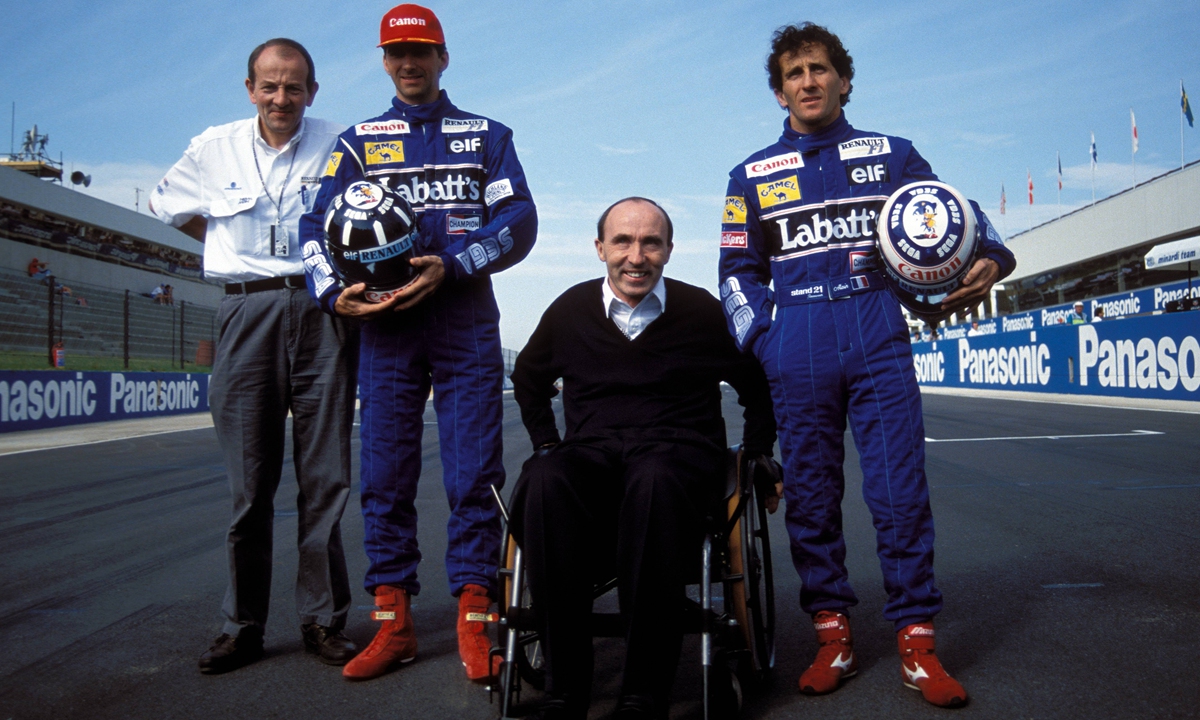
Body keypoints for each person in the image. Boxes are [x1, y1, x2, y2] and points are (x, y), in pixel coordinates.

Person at [718, 23, 1016, 708]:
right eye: (794, 74)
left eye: (820, 69)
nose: (809, 82)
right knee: (814, 499)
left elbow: (961, 219)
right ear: (779, 90)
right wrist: (769, 342)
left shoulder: (892, 154)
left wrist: (993, 260)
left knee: (898, 491)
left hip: (876, 329)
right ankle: (834, 636)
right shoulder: (751, 175)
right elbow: (736, 275)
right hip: (799, 342)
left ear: (845, 80)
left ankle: (917, 643)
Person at [299, 3, 537, 683]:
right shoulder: (358, 142)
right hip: (387, 327)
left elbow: (519, 217)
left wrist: (455, 262)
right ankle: (393, 623)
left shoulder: (485, 135)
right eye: (397, 54)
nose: (410, 64)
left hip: (463, 319)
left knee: (473, 476)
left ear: (443, 57)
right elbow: (313, 226)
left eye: (422, 51)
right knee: (384, 478)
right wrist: (329, 291)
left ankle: (474, 618)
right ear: (383, 60)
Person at [509, 198, 777, 719]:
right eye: (623, 242)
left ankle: (642, 695)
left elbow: (757, 386)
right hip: (595, 452)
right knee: (544, 478)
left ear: (669, 250)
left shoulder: (701, 312)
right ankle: (564, 692)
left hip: (678, 452)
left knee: (654, 479)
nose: (637, 256)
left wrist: (758, 453)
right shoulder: (569, 311)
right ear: (600, 249)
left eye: (651, 242)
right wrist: (545, 442)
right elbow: (528, 379)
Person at [149, 38, 359, 674]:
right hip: (244, 309)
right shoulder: (213, 147)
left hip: (321, 309)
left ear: (312, 93)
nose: (281, 98)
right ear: (249, 89)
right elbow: (169, 205)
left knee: (324, 480)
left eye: (294, 87)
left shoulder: (340, 143)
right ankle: (241, 625)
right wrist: (226, 247)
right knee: (250, 486)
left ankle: (323, 621)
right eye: (269, 86)